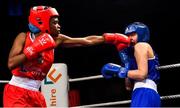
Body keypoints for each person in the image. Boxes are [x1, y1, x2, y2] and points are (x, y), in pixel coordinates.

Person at [3, 5, 132, 107]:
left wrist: (110, 38)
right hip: (17, 91)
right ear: (41, 22)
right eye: (54, 22)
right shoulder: (23, 38)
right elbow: (11, 63)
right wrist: (35, 49)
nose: (58, 26)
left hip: (36, 93)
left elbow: (86, 41)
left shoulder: (57, 40)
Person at [101, 22, 161, 107]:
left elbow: (142, 74)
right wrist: (126, 64)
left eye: (133, 35)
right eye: (128, 35)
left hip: (144, 93)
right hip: (146, 93)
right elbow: (128, 87)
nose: (129, 38)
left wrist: (119, 71)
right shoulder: (133, 55)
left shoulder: (141, 45)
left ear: (141, 34)